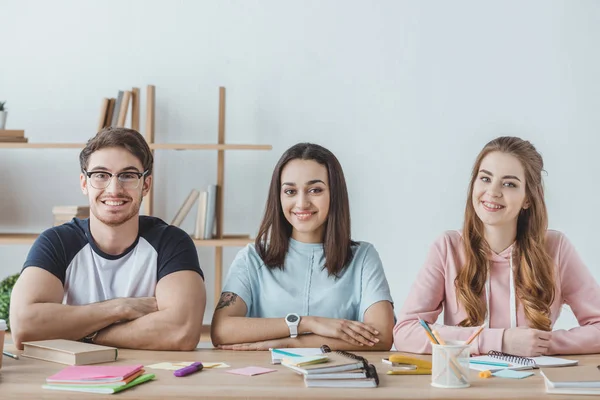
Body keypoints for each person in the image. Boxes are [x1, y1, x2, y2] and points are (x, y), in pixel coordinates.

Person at [394, 136, 600, 357]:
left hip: (533, 388)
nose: (492, 191)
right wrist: (499, 341)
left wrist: (540, 344)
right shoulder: (448, 248)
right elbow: (406, 332)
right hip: (467, 386)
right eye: (485, 178)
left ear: (528, 199)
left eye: (509, 184)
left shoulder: (555, 247)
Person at [10, 127, 206, 351]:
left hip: (154, 377)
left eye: (128, 175)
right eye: (101, 175)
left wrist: (81, 333)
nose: (114, 189)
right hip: (72, 377)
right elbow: (24, 326)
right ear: (85, 183)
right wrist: (119, 308)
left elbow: (182, 332)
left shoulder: (171, 242)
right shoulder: (57, 242)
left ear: (146, 184)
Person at [211, 143, 394, 351]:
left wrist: (288, 342)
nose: (301, 203)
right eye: (290, 191)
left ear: (335, 194)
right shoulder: (252, 258)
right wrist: (306, 323)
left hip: (338, 379)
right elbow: (221, 331)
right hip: (268, 379)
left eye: (315, 190)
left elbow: (382, 336)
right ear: (278, 196)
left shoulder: (363, 257)